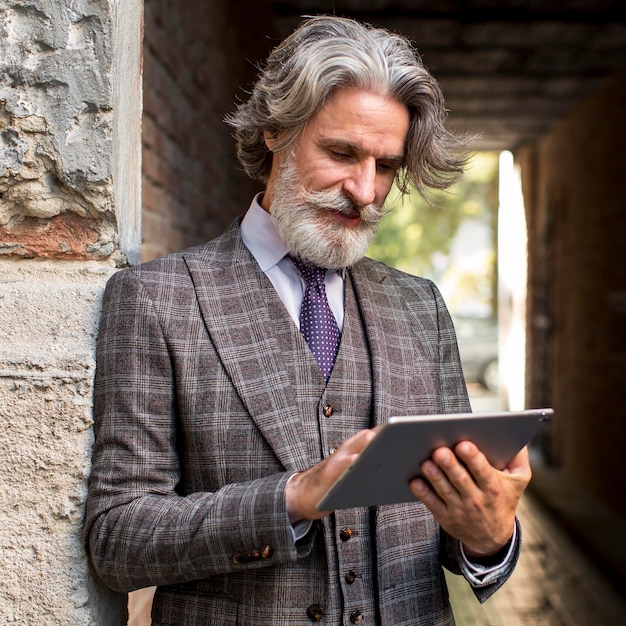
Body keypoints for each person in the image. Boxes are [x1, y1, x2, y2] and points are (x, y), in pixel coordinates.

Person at [84, 15, 531, 625]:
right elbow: (117, 539)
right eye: (342, 153)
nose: (365, 190)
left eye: (387, 165)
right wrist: (293, 498)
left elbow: (456, 535)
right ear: (275, 129)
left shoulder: (421, 305)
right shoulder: (156, 299)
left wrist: (488, 534)